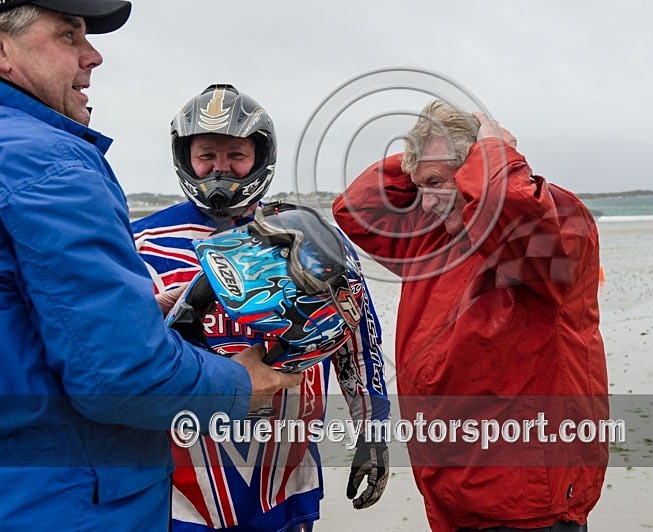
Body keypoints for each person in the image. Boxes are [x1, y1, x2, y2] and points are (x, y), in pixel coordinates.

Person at [0, 2, 302, 529]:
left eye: (237, 155)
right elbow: (119, 375)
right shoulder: (51, 165)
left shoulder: (291, 231)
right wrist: (241, 383)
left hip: (273, 477)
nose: (92, 55)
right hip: (83, 493)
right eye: (68, 35)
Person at [333, 100, 609, 531]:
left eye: (436, 183)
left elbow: (519, 215)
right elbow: (356, 209)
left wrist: (490, 153)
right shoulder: (429, 241)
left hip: (528, 504)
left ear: (474, 170)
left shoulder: (557, 223)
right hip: (452, 495)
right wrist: (425, 151)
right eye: (418, 186)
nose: (423, 202)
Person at [132, 84, 390, 531]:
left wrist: (373, 429)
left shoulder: (306, 235)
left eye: (236, 155)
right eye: (206, 154)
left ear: (260, 156)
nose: (220, 168)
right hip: (180, 484)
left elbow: (358, 338)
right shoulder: (139, 243)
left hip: (285, 478)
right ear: (185, 157)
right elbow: (111, 355)